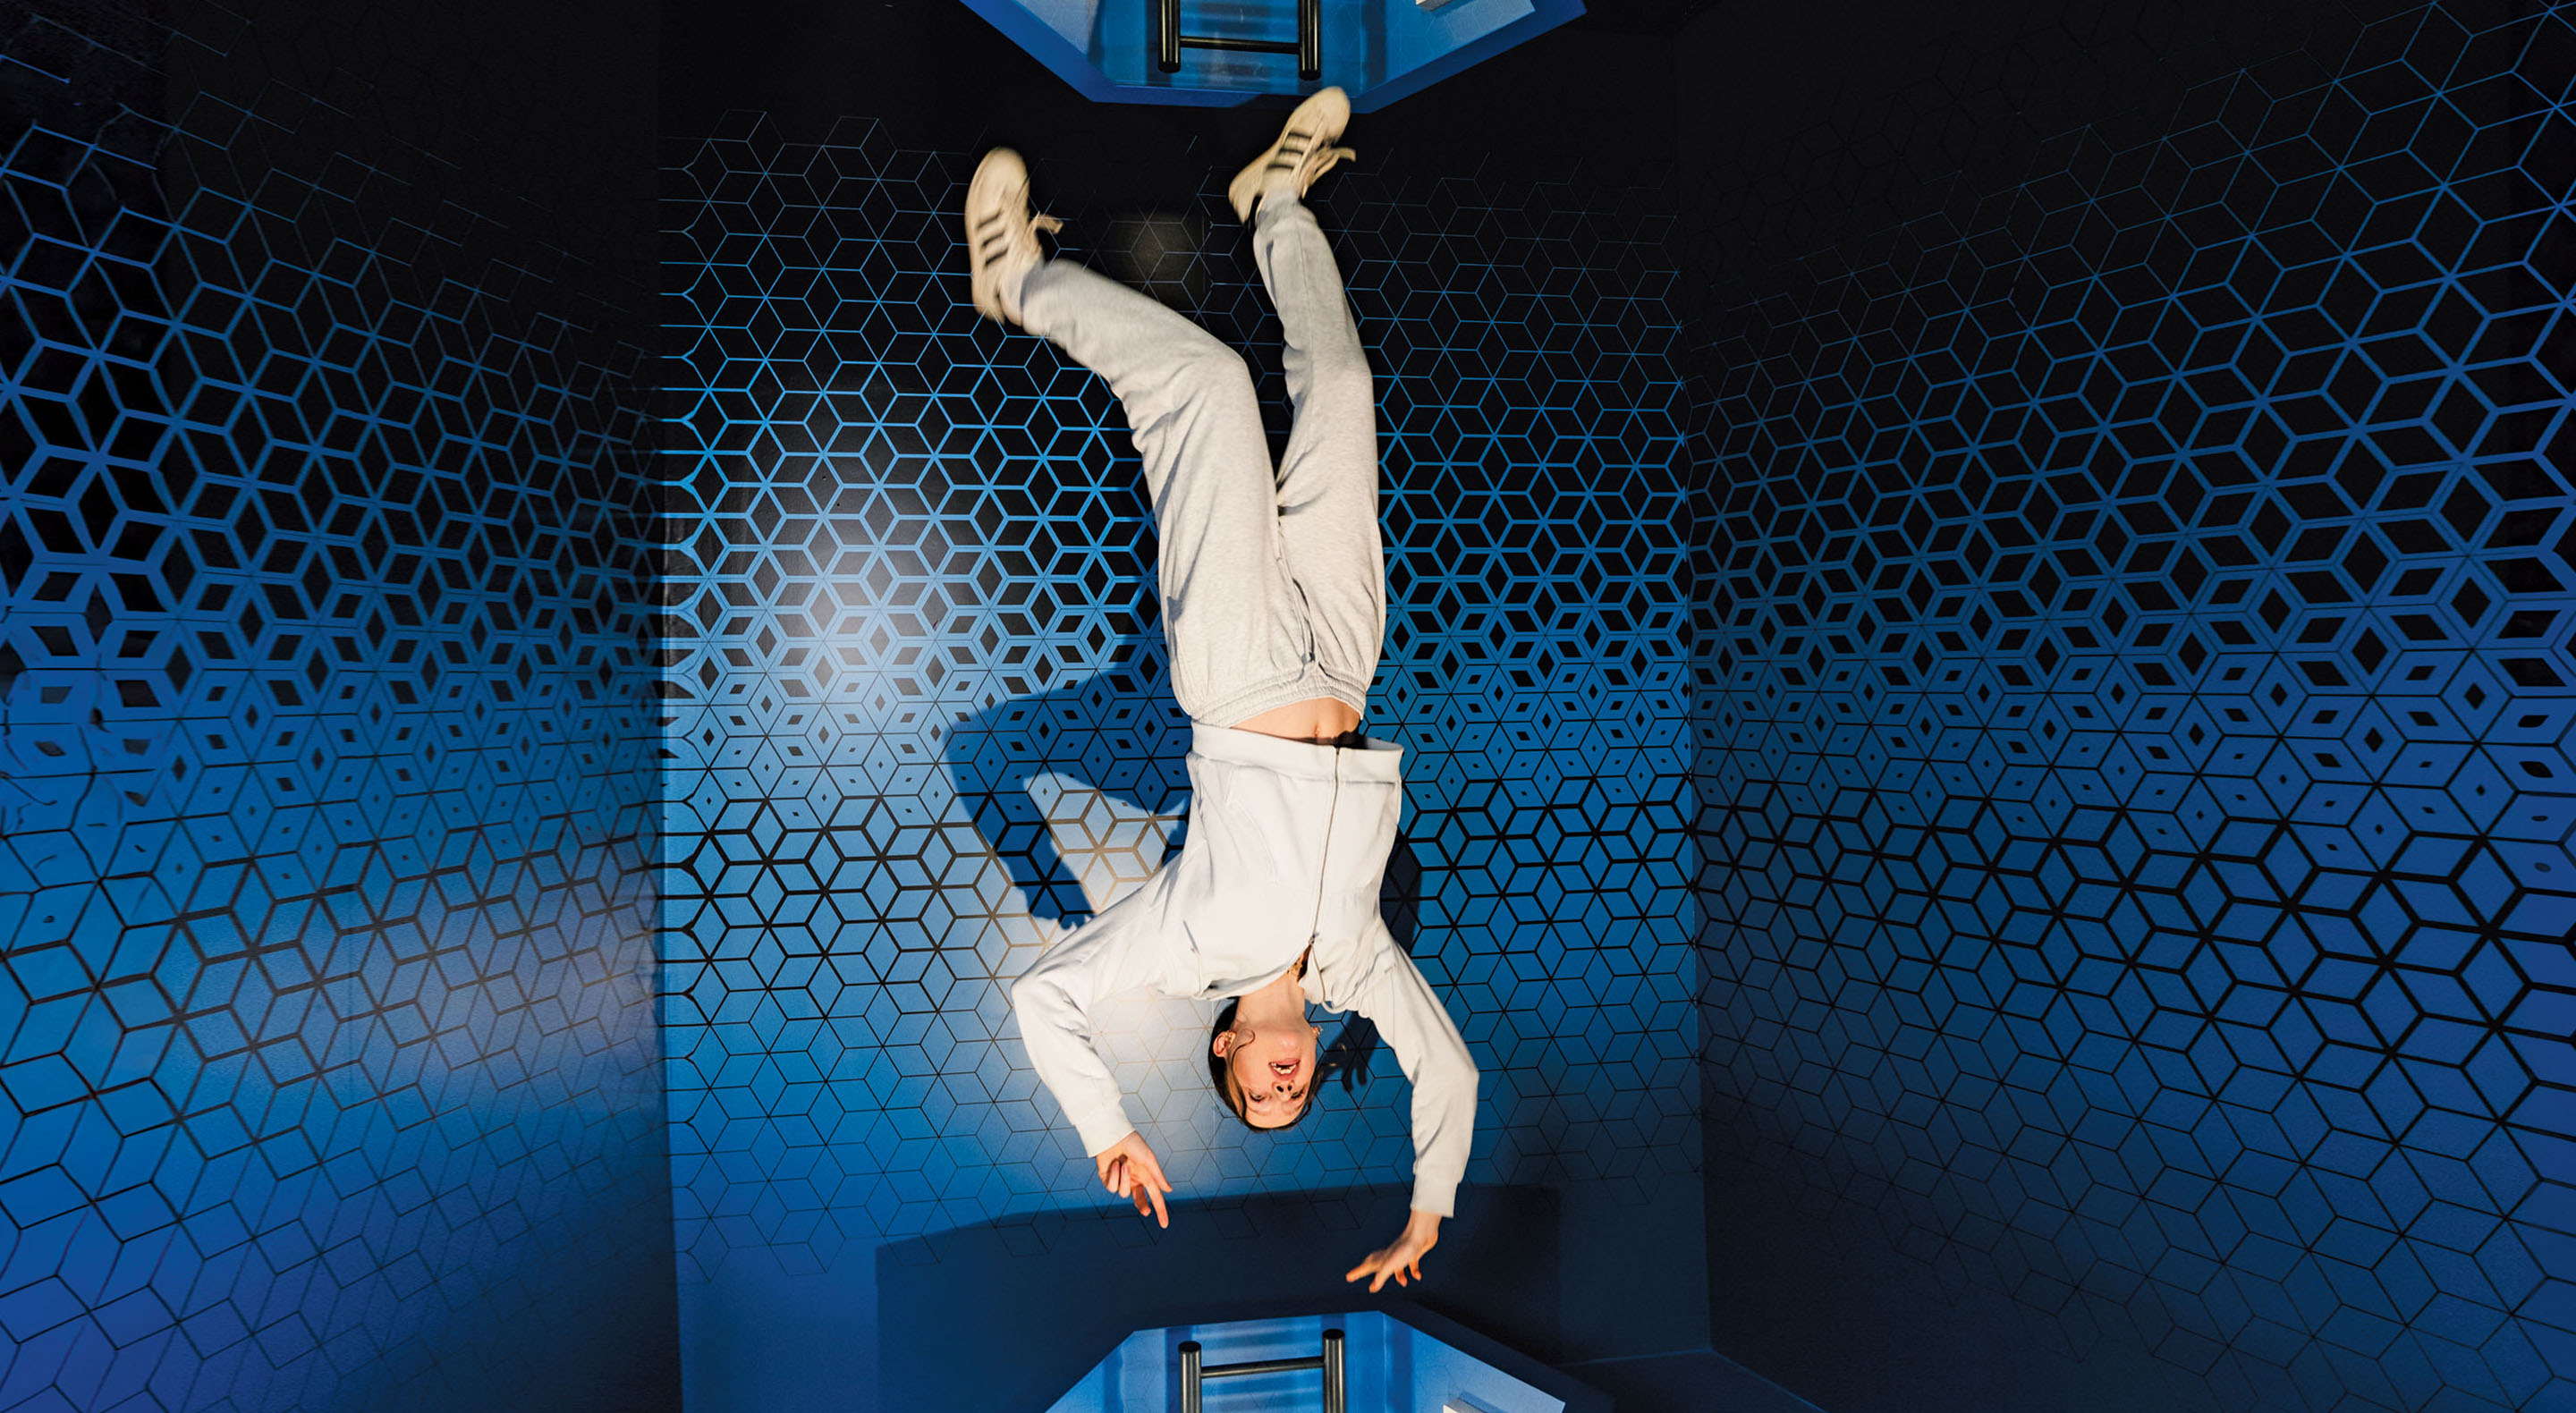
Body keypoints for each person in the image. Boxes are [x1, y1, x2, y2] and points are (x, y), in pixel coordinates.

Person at [965, 88, 1478, 1295]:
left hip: (1241, 673)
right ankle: (1277, 202)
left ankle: (1018, 283)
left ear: (1231, 1046)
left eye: (1254, 1096)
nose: (1280, 1095)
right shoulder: (1358, 970)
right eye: (1291, 1104)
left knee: (1200, 386)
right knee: (1342, 392)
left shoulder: (1187, 946)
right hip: (1346, 666)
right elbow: (1449, 1075)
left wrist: (1109, 1130)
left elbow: (1047, 998)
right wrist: (1428, 1211)